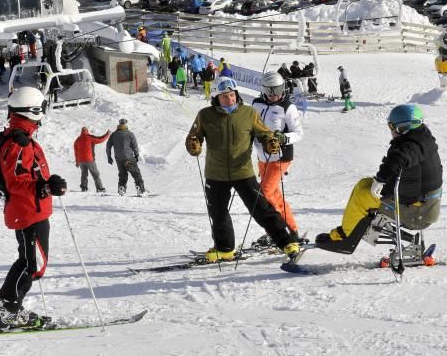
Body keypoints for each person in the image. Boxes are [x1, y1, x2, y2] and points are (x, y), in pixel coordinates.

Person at [185, 76, 301, 263]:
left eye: (232, 95)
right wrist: (194, 145)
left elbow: (264, 134)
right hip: (216, 174)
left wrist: (270, 143)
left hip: (243, 172)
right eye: (224, 97)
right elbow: (194, 136)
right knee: (218, 213)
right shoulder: (205, 115)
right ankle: (224, 249)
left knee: (261, 209)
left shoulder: (248, 113)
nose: (229, 99)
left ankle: (287, 242)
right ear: (216, 97)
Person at [315, 104, 443, 251]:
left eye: (391, 127)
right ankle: (346, 229)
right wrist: (379, 181)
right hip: (422, 205)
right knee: (364, 184)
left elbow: (400, 157)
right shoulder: (421, 138)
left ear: (402, 128)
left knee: (363, 197)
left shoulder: (412, 146)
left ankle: (345, 239)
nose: (391, 131)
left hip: (416, 213)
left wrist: (381, 179)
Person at [0, 87, 67, 328]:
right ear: (33, 110)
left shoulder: (22, 137)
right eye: (42, 108)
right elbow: (16, 182)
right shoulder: (18, 143)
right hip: (27, 211)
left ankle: (10, 307)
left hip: (32, 209)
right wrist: (44, 188)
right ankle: (9, 310)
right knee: (30, 263)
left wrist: (48, 185)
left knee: (32, 262)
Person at [252, 71, 303, 243]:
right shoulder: (256, 104)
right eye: (272, 90)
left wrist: (284, 138)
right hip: (261, 156)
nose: (276, 94)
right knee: (274, 196)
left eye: (279, 89)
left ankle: (278, 231)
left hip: (280, 157)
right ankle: (292, 231)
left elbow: (299, 133)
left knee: (264, 194)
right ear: (264, 90)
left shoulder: (288, 107)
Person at [106, 119, 146, 196]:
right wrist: (137, 155)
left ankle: (122, 188)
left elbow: (108, 146)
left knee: (122, 174)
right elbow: (135, 146)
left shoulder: (114, 134)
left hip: (119, 159)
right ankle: (141, 190)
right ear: (126, 124)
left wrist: (109, 156)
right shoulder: (130, 134)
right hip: (129, 158)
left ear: (119, 124)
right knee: (136, 173)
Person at [73, 126, 110, 193]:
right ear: (87, 131)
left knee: (84, 174)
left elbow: (76, 152)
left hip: (81, 161)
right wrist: (107, 135)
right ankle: (99, 188)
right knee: (95, 174)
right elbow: (100, 140)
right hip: (89, 160)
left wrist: (77, 161)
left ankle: (84, 188)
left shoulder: (77, 140)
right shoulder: (89, 137)